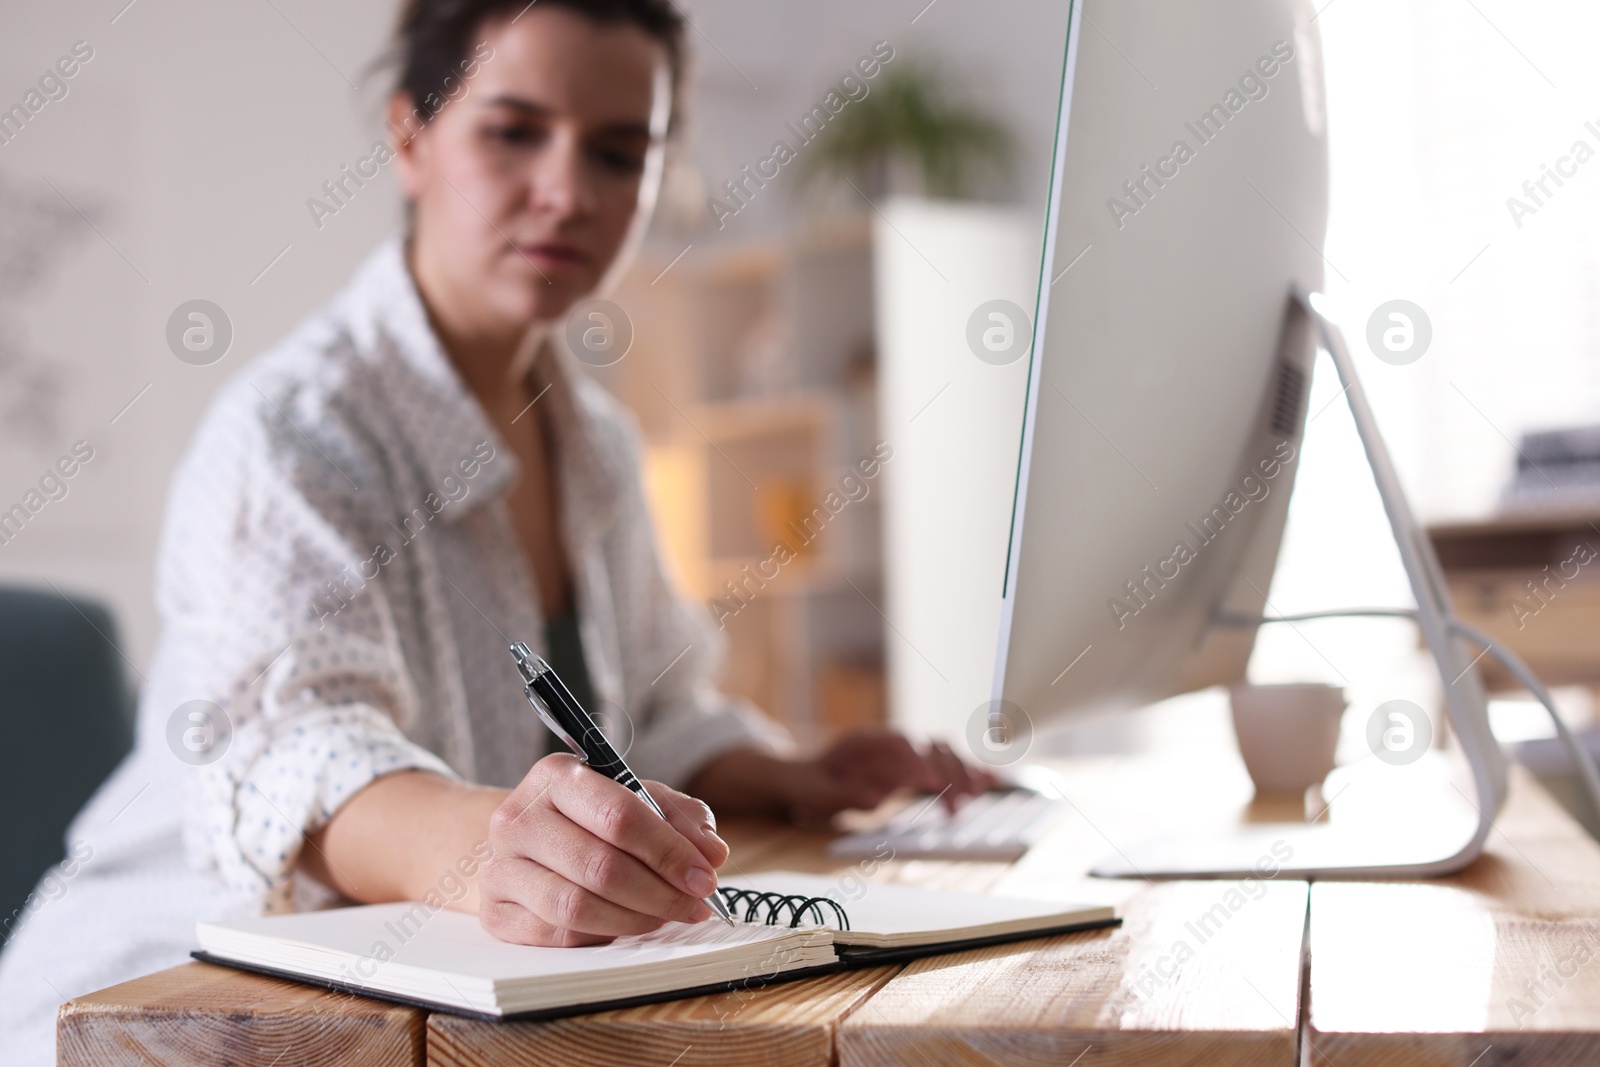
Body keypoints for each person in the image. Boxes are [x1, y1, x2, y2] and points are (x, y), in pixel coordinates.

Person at [0, 1, 992, 1059]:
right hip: (158, 1009)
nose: (568, 191)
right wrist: (499, 845)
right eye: (514, 130)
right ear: (410, 138)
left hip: (440, 996)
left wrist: (782, 770)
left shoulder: (600, 443)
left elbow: (652, 711)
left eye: (619, 151)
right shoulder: (291, 435)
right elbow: (305, 761)